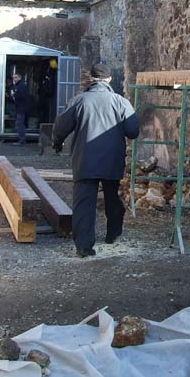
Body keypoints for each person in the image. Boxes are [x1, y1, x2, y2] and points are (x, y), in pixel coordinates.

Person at [52, 64, 139, 258]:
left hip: (85, 160)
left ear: (91, 78)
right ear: (109, 80)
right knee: (112, 197)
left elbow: (60, 127)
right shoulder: (120, 102)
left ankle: (84, 246)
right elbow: (133, 131)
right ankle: (113, 233)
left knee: (84, 202)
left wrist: (56, 143)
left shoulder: (78, 101)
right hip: (112, 159)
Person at [10, 70, 30, 145]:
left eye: (15, 77)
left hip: (21, 108)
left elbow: (20, 96)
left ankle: (21, 140)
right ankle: (21, 139)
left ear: (19, 78)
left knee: (20, 124)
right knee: (19, 123)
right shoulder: (18, 85)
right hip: (20, 108)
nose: (14, 79)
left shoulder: (21, 86)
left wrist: (13, 94)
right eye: (13, 78)